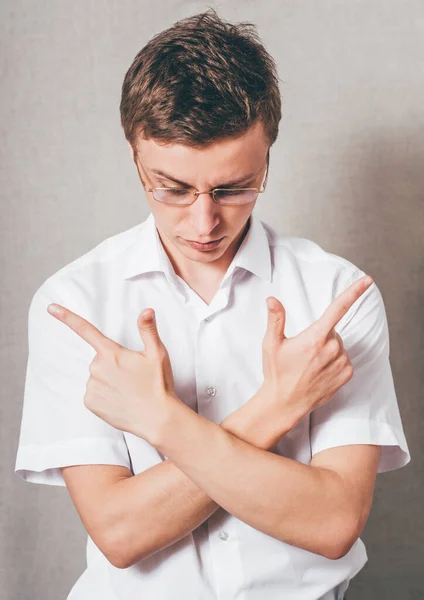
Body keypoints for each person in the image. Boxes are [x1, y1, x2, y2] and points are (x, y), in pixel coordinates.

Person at [14, 9, 410, 600]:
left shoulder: (336, 297)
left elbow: (331, 525)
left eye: (232, 188)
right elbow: (120, 533)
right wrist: (276, 407)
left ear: (268, 156)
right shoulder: (75, 303)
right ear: (134, 156)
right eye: (172, 188)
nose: (204, 222)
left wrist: (161, 421)